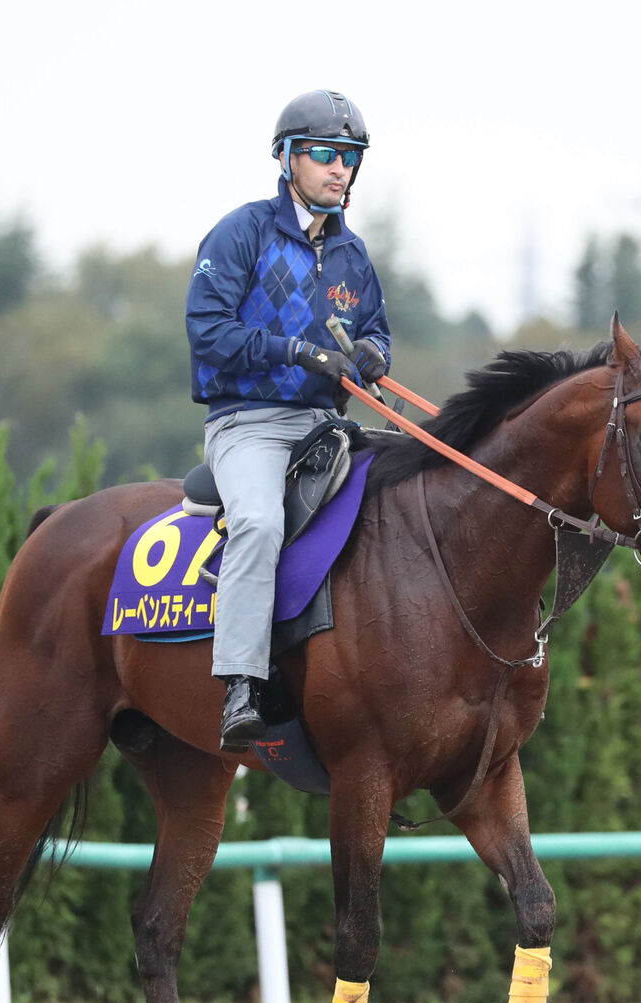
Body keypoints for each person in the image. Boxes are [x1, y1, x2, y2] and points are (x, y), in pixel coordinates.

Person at [186, 90, 391, 752]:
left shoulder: (354, 257)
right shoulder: (241, 233)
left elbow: (378, 334)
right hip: (247, 425)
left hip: (323, 430)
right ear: (287, 158)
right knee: (258, 521)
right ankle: (242, 683)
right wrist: (295, 350)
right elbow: (209, 333)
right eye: (327, 155)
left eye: (350, 158)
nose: (340, 170)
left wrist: (370, 355)